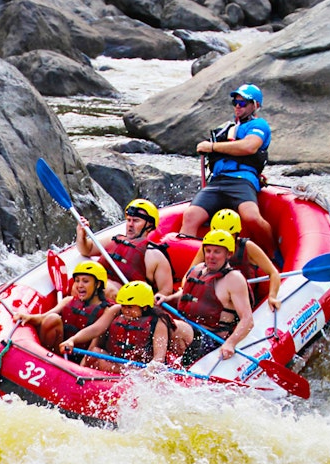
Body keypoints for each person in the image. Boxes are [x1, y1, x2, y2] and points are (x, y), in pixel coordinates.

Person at [181, 83, 274, 252]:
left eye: (243, 103)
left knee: (251, 217)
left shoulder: (259, 125)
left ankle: (272, 254)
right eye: (235, 103)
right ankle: (188, 263)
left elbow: (249, 147)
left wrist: (212, 147)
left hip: (242, 180)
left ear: (255, 106)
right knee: (191, 215)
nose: (238, 106)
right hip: (218, 181)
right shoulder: (226, 128)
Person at [160, 229, 254, 366]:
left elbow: (248, 320)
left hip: (211, 339)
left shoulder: (234, 280)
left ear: (229, 254)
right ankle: (156, 362)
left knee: (167, 324)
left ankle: (157, 365)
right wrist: (166, 299)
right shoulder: (198, 269)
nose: (211, 256)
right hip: (191, 331)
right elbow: (188, 294)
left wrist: (230, 343)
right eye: (208, 251)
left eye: (217, 252)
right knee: (151, 318)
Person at [58, 281, 174, 373]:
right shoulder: (116, 310)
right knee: (94, 351)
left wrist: (145, 373)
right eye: (124, 306)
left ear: (144, 307)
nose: (125, 311)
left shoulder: (159, 322)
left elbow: (159, 358)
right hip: (114, 361)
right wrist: (72, 340)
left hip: (137, 370)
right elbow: (96, 329)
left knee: (103, 362)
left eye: (130, 307)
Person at [185, 209, 281, 310]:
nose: (224, 240)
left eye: (228, 236)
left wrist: (272, 297)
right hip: (217, 297)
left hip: (244, 300)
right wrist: (185, 290)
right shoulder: (208, 249)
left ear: (236, 234)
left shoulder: (248, 247)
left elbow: (273, 273)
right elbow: (189, 274)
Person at [76, 198, 174, 298]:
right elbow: (86, 250)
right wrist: (81, 235)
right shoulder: (114, 239)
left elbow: (166, 291)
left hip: (121, 302)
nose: (130, 225)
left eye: (136, 221)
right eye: (128, 220)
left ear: (149, 225)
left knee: (107, 289)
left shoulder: (156, 255)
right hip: (92, 292)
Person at [14, 261, 110, 355]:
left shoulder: (107, 310)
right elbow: (43, 317)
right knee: (52, 318)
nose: (80, 285)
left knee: (97, 341)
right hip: (60, 352)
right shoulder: (68, 300)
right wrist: (28, 317)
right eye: (77, 281)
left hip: (83, 358)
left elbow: (95, 331)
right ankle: (44, 357)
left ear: (98, 284)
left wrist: (73, 341)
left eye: (85, 281)